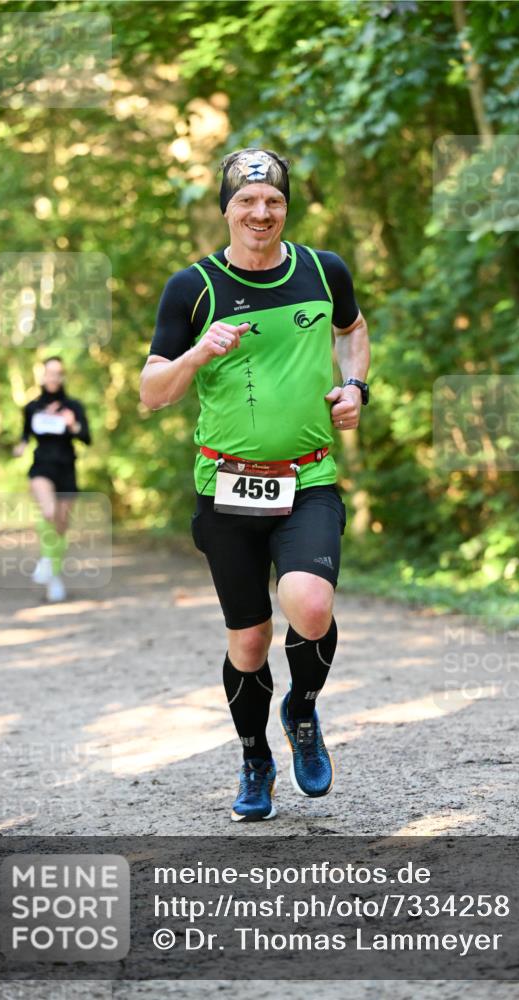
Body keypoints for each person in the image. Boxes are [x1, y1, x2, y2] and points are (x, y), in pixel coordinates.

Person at [141, 148, 370, 821]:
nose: (260, 211)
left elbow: (352, 333)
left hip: (308, 480)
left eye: (272, 200)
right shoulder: (193, 287)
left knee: (311, 605)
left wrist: (355, 385)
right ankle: (254, 755)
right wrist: (197, 351)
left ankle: (301, 711)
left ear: (285, 206)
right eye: (246, 200)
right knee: (248, 642)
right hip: (226, 488)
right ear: (226, 208)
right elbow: (152, 391)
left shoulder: (323, 270)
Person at [13, 356, 91, 602]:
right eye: (49, 372)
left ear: (62, 377)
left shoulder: (74, 407)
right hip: (41, 468)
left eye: (58, 373)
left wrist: (73, 425)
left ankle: (54, 576)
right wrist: (21, 446)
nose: (53, 377)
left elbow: (87, 437)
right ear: (43, 376)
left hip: (67, 469)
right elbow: (25, 435)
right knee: (48, 512)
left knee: (61, 524)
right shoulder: (31, 407)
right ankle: (47, 562)